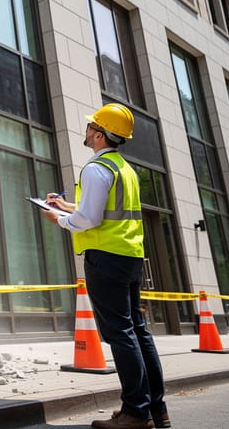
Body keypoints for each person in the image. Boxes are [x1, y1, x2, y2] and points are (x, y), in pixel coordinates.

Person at [41, 103, 169, 429]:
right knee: (138, 332)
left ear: (99, 134)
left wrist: (59, 219)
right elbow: (100, 209)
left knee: (121, 334)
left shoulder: (95, 169)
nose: (86, 130)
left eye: (90, 126)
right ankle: (155, 409)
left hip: (106, 259)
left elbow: (89, 219)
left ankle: (135, 414)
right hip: (129, 256)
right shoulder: (124, 169)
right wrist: (65, 204)